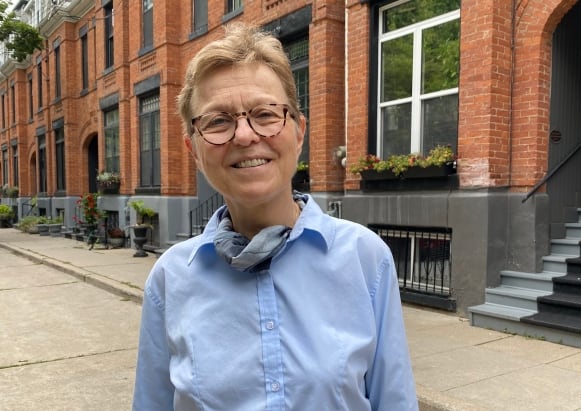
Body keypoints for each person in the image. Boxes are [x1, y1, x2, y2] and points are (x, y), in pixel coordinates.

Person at [132, 23, 418, 410]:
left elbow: (394, 401)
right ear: (193, 150)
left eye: (265, 114)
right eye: (218, 121)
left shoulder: (365, 259)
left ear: (299, 132)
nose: (245, 135)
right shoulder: (170, 280)